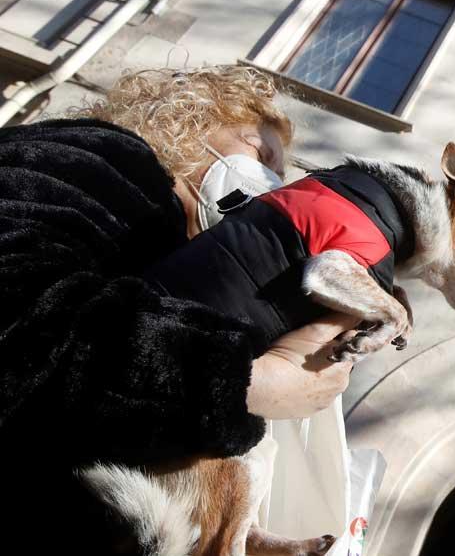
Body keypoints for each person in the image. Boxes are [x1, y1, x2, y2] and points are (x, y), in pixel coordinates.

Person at [0, 66, 360, 548]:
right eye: (261, 153)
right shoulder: (98, 158)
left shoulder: (175, 254)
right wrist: (250, 382)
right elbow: (20, 311)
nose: (272, 188)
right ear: (188, 119)